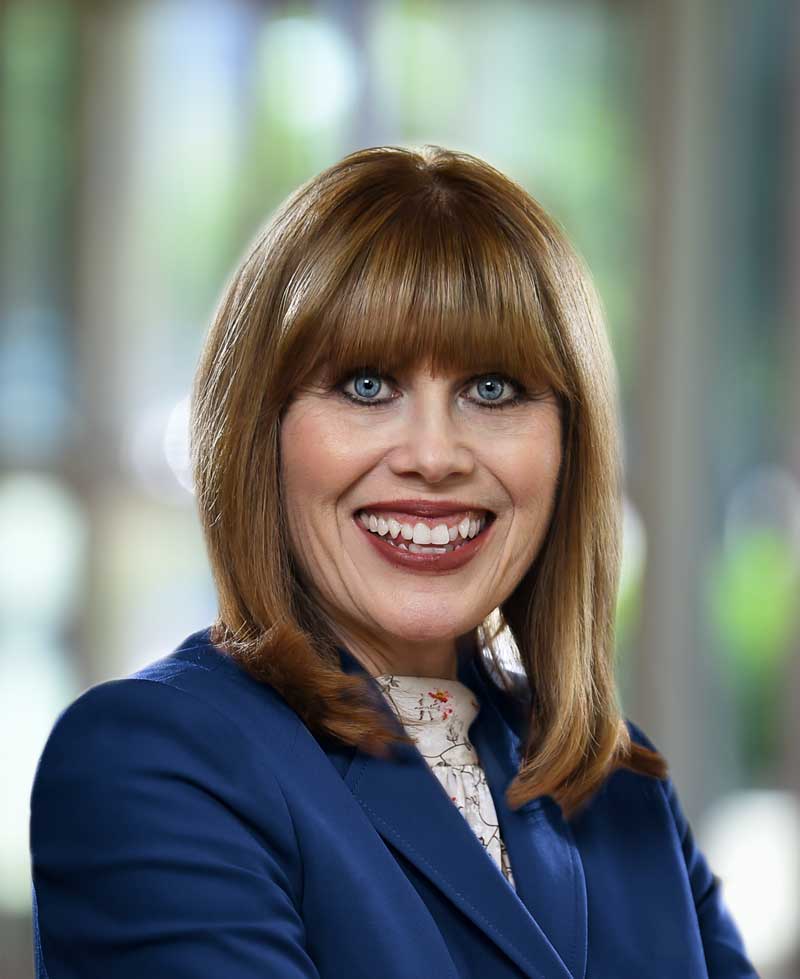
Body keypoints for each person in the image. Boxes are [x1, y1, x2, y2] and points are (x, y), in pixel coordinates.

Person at [29, 145, 758, 978]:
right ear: (261, 431)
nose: (434, 455)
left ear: (569, 444)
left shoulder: (622, 786)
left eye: (492, 389)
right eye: (368, 386)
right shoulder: (151, 764)